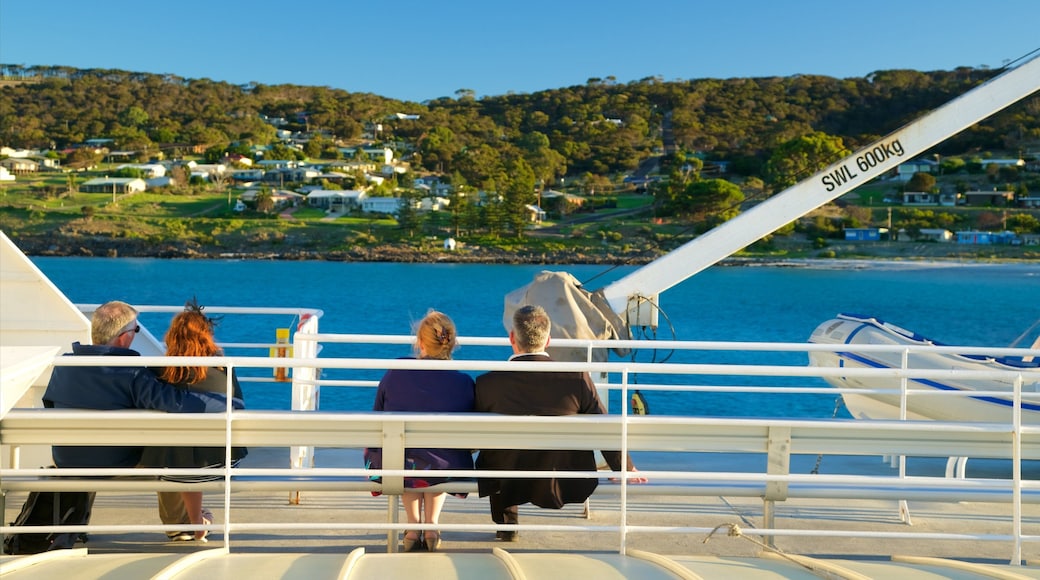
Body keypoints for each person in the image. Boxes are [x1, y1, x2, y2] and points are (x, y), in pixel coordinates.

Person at [42, 300, 241, 542]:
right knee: (169, 450)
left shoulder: (64, 365)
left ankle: (74, 524)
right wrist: (228, 403)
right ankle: (181, 525)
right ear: (124, 337)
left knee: (86, 447)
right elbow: (179, 403)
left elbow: (49, 403)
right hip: (116, 463)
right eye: (135, 331)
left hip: (68, 459)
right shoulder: (132, 373)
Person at [474, 304, 645, 542]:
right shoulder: (576, 378)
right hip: (561, 477)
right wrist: (623, 466)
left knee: (499, 453)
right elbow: (603, 425)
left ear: (512, 337)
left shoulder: (487, 383)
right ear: (548, 340)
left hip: (508, 478)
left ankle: (507, 524)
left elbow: (474, 438)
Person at [363, 310, 475, 552]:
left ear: (420, 343)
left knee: (404, 454)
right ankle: (431, 525)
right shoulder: (464, 381)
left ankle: (413, 526)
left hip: (398, 461)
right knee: (441, 453)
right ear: (452, 345)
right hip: (446, 464)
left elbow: (377, 414)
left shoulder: (396, 371)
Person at [139, 298, 248, 542]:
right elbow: (239, 408)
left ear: (172, 338)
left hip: (173, 471)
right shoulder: (223, 370)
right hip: (221, 467)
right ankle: (197, 522)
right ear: (206, 338)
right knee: (189, 451)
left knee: (172, 450)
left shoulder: (158, 372)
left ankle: (187, 524)